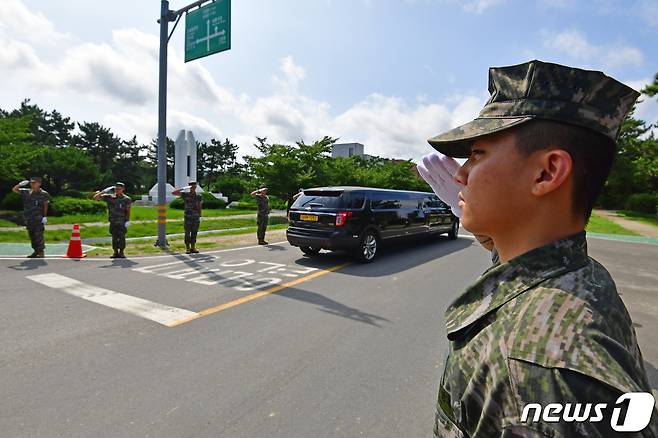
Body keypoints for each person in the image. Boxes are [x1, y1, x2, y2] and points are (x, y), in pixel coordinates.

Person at [418, 60, 658, 437]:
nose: (461, 174)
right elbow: (520, 263)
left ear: (547, 173)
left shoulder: (539, 370)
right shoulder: (577, 274)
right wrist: (484, 226)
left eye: (477, 154)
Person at [12, 177, 49, 258]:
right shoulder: (26, 192)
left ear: (39, 183)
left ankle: (41, 252)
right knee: (31, 235)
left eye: (34, 183)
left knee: (38, 235)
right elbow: (14, 190)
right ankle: (36, 251)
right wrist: (20, 184)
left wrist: (44, 216)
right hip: (28, 217)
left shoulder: (43, 193)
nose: (32, 184)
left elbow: (45, 205)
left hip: (38, 217)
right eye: (31, 183)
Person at [93, 182, 131, 258]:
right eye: (116, 188)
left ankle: (121, 252)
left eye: (119, 189)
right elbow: (96, 197)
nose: (117, 190)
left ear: (123, 189)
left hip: (122, 221)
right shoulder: (110, 197)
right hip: (113, 221)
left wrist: (127, 220)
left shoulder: (126, 199)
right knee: (114, 237)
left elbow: (128, 210)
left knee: (122, 237)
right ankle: (115, 252)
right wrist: (104, 191)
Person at [172, 181, 203, 254]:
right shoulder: (185, 194)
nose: (193, 187)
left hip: (195, 216)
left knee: (194, 232)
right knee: (187, 233)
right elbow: (174, 193)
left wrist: (200, 215)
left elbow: (199, 205)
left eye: (194, 186)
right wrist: (183, 188)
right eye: (191, 186)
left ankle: (193, 247)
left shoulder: (198, 196)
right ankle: (187, 248)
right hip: (188, 216)